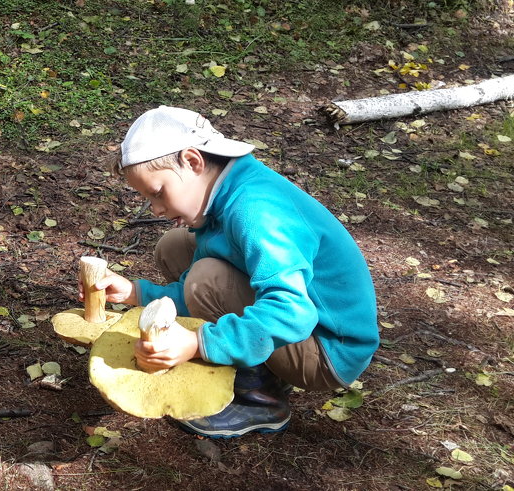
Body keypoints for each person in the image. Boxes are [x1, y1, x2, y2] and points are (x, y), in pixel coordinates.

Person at [94, 106, 379, 438]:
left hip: (329, 350)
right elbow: (191, 288)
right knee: (174, 247)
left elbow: (292, 313)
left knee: (207, 279)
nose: (156, 209)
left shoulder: (256, 213)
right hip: (309, 332)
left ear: (192, 161)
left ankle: (259, 397)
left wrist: (199, 342)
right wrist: (134, 293)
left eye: (158, 193)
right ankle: (245, 354)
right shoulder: (223, 196)